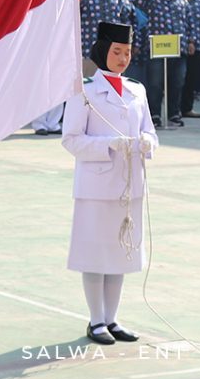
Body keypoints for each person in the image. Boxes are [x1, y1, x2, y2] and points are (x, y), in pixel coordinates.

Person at [61, 21, 157, 346]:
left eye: (127, 52)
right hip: (96, 184)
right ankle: (96, 320)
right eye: (117, 51)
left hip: (129, 183)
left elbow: (151, 132)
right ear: (104, 51)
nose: (123, 58)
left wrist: (146, 142)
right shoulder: (84, 90)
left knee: (121, 252)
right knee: (95, 253)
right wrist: (108, 145)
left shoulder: (137, 90)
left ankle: (113, 319)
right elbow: (71, 139)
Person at [134, 0, 194, 128]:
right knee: (155, 84)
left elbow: (190, 23)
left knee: (177, 82)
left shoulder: (181, 1)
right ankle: (155, 115)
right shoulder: (152, 0)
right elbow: (137, 0)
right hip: (157, 49)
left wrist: (191, 42)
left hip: (178, 49)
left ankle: (174, 114)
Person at [80, 0, 137, 78]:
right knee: (90, 89)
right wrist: (78, 0)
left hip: (114, 53)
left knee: (113, 89)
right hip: (90, 52)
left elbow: (127, 21)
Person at [177, 0, 200, 119]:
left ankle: (187, 108)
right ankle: (175, 110)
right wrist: (189, 41)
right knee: (178, 79)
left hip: (198, 46)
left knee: (191, 79)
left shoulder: (199, 1)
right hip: (179, 46)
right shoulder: (175, 0)